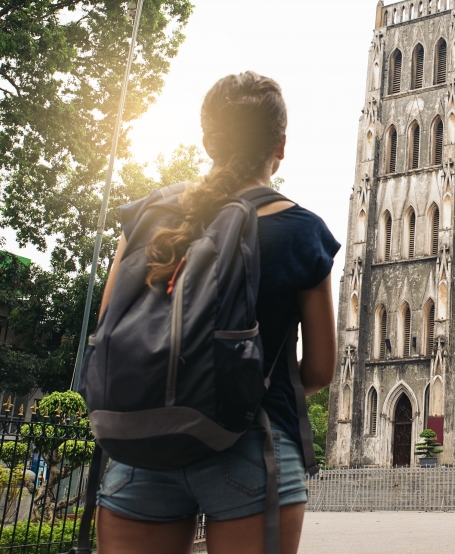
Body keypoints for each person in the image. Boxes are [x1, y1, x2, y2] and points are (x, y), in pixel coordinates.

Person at [93, 72, 338, 554]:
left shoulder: (149, 217)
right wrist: (235, 390)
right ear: (280, 146)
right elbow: (319, 369)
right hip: (254, 447)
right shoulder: (301, 230)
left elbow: (107, 330)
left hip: (142, 447)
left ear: (207, 141)